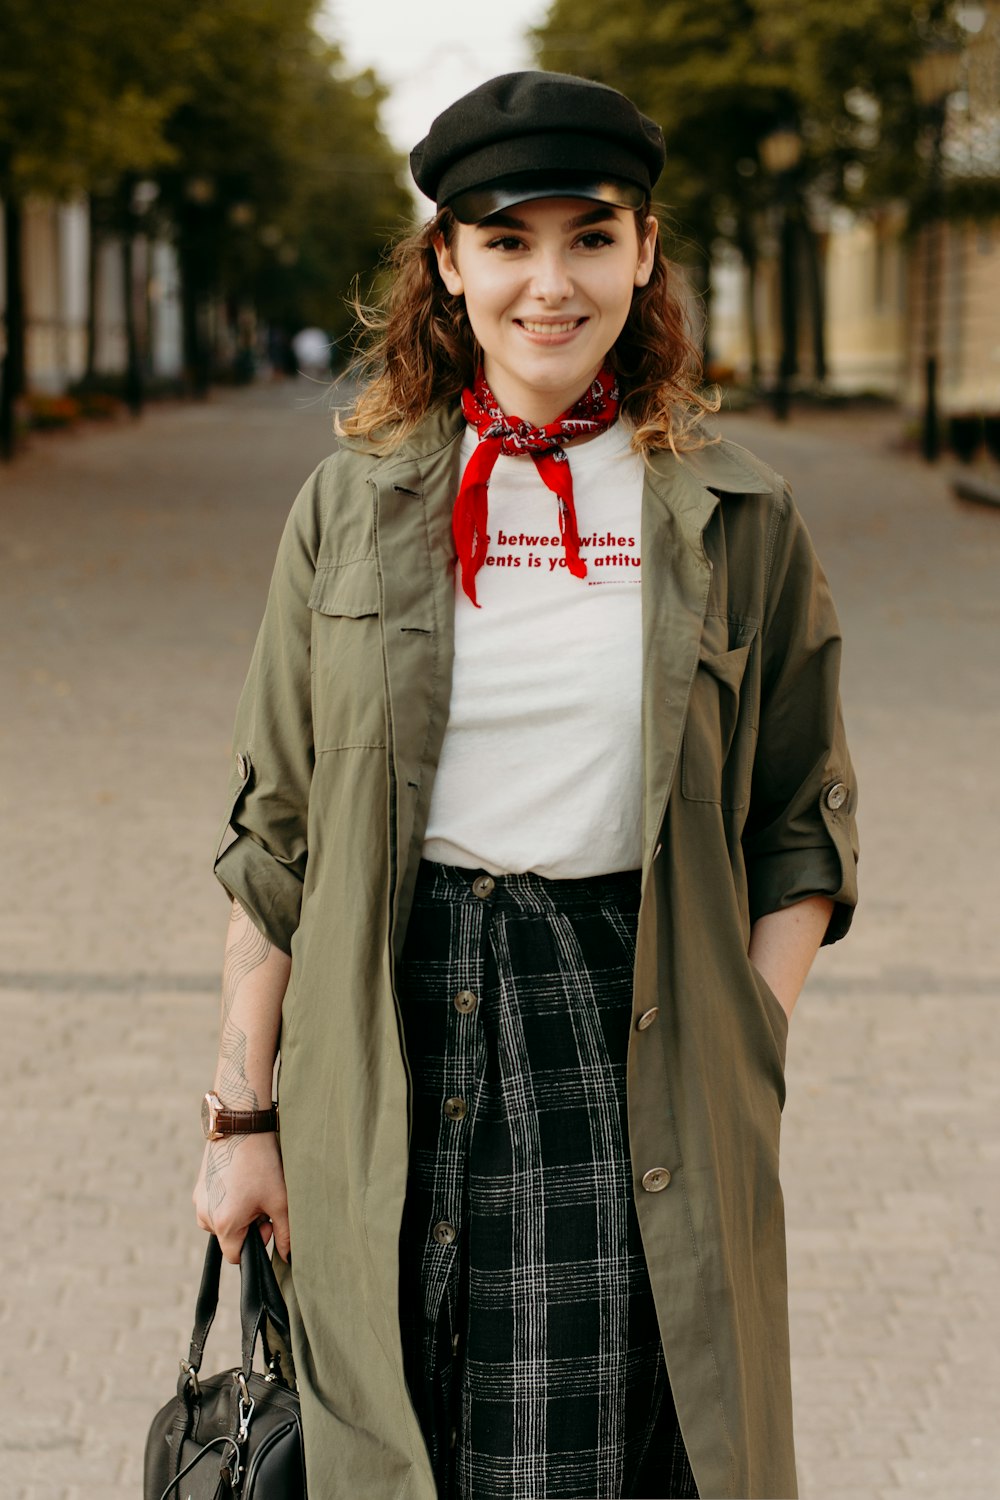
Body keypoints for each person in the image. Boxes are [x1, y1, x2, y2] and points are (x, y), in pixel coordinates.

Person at [193, 71, 858, 1500]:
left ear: (645, 250)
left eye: (589, 237)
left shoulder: (737, 515)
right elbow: (278, 833)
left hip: (630, 1029)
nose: (548, 284)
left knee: (606, 1444)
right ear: (446, 262)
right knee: (394, 1436)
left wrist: (741, 1043)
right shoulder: (352, 505)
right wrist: (243, 1121)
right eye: (506, 240)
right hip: (386, 1032)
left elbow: (803, 823)